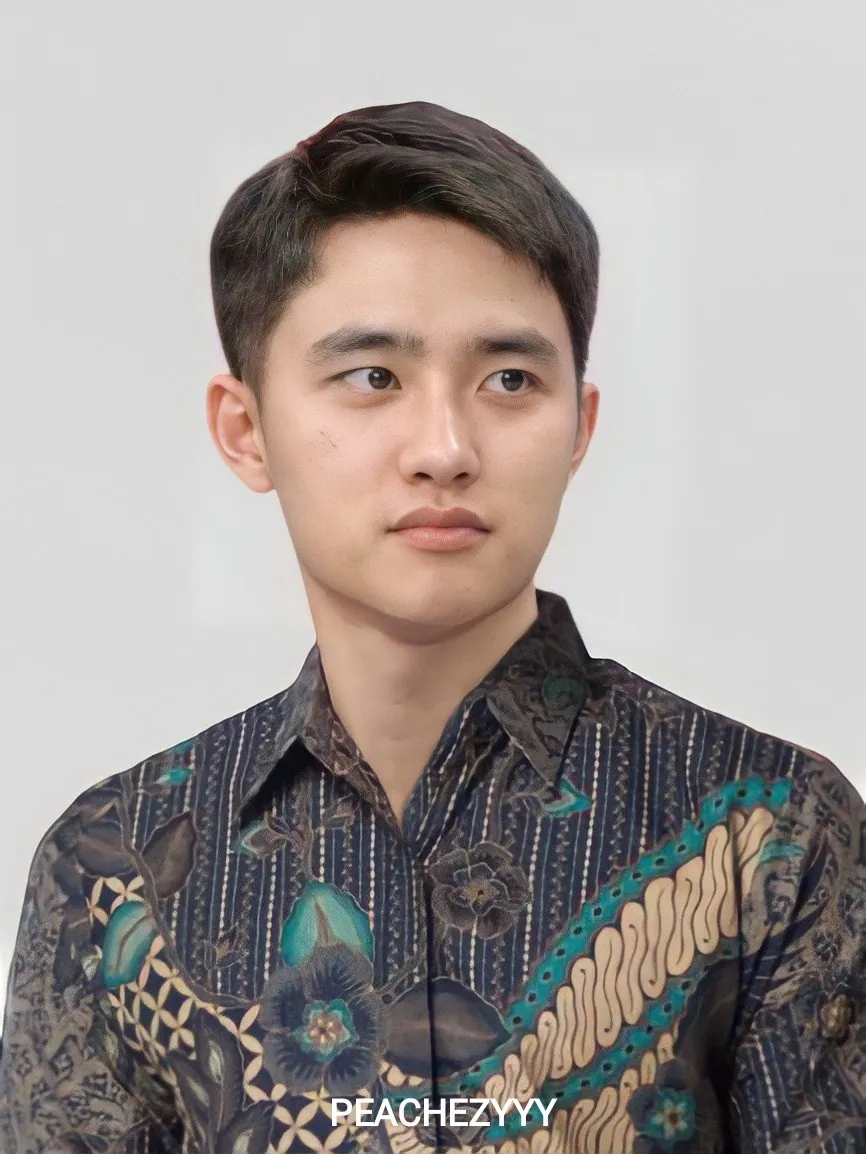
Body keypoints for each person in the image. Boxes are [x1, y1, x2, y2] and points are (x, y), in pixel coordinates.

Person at [1, 100, 863, 1154]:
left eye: (509, 379)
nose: (445, 447)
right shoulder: (114, 865)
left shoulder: (769, 831)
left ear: (578, 424)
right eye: (373, 377)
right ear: (246, 428)